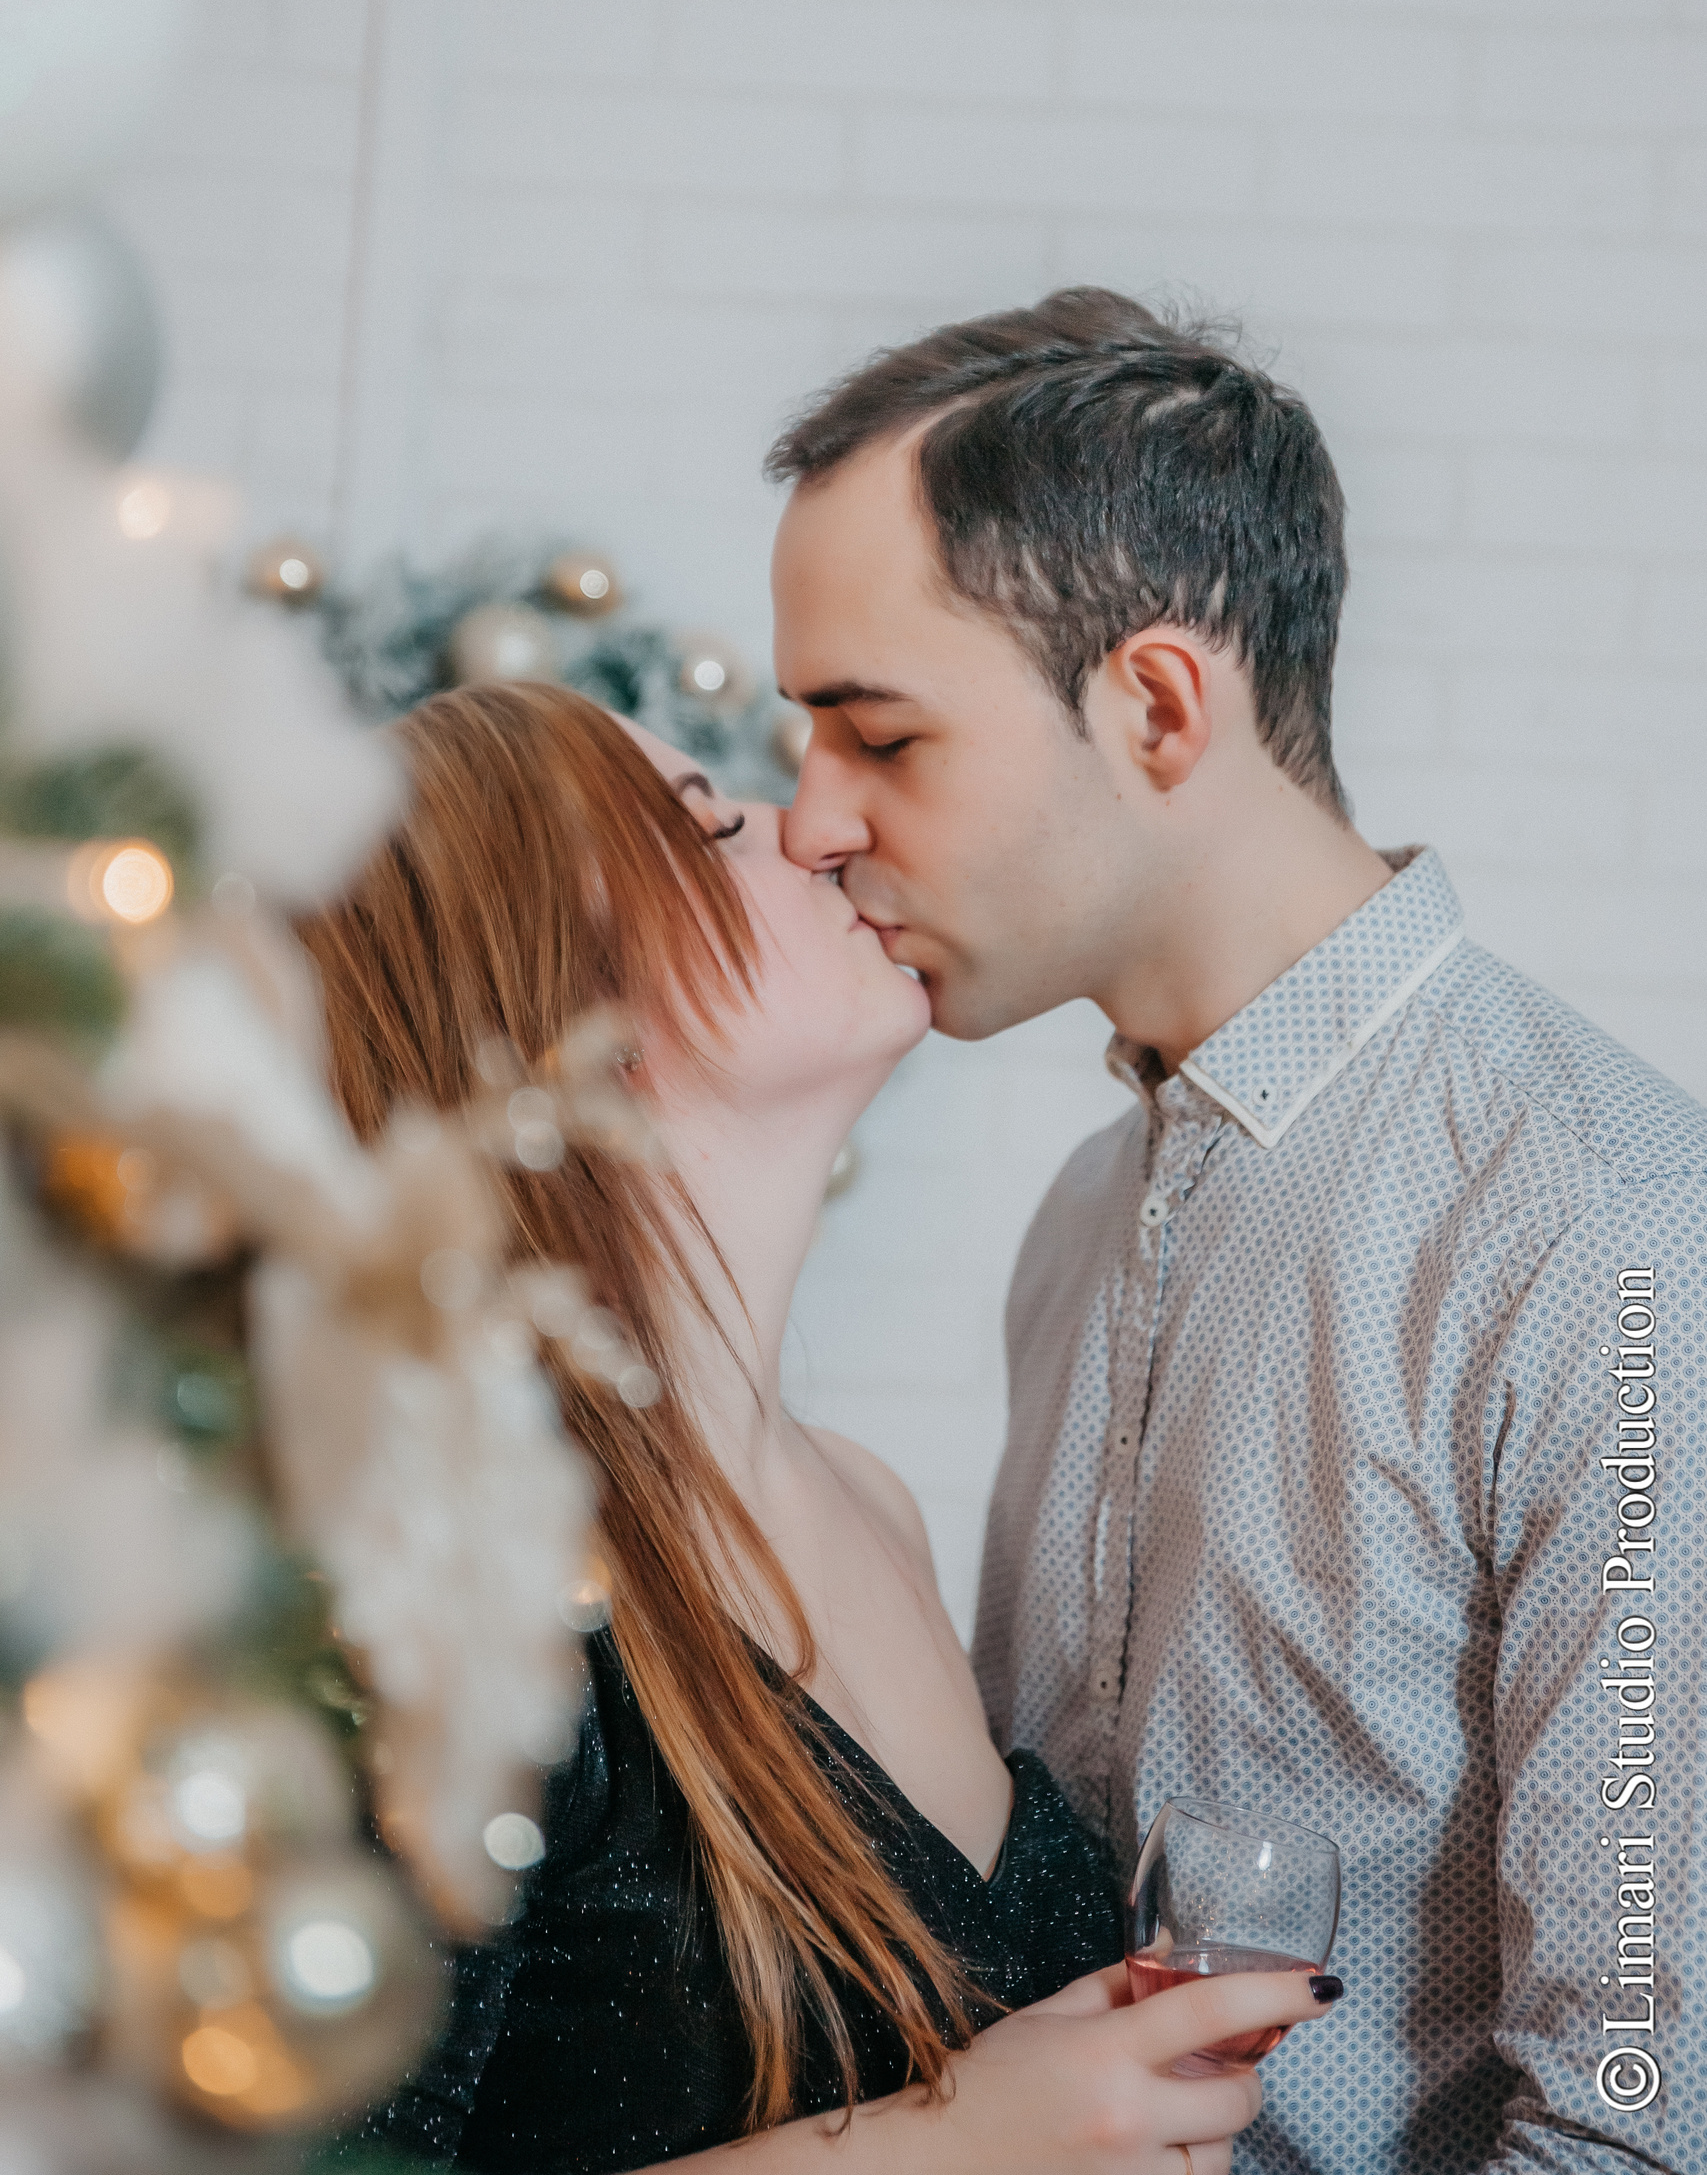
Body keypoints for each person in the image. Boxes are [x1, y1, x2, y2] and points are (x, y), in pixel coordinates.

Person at [765, 289, 1706, 2171]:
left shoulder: (1613, 1237)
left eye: (880, 738)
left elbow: (1640, 2123)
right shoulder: (1080, 1217)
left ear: (1157, 706)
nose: (810, 826)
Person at [299, 679, 1338, 2175]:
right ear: (562, 1019)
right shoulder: (435, 1586)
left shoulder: (870, 1503)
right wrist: (964, 2139)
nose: (810, 830)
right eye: (708, 829)